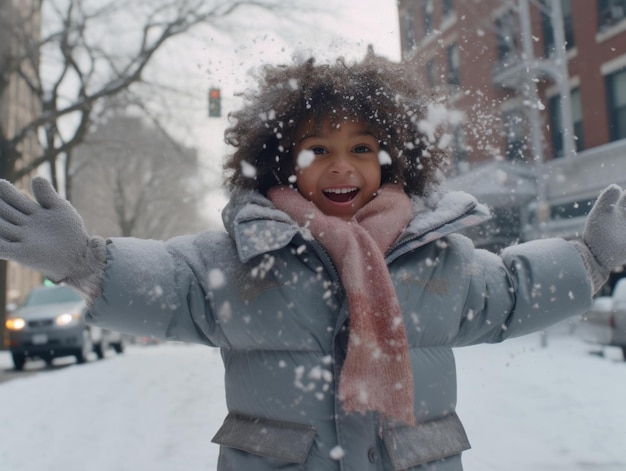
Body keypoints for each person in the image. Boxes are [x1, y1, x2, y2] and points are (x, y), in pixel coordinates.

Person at [0, 50, 625, 471]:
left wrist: (592, 258)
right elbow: (173, 285)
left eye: (361, 146)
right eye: (316, 147)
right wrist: (81, 260)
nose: (341, 164)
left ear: (391, 157)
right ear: (281, 159)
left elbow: (510, 293)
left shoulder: (437, 255)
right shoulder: (246, 253)